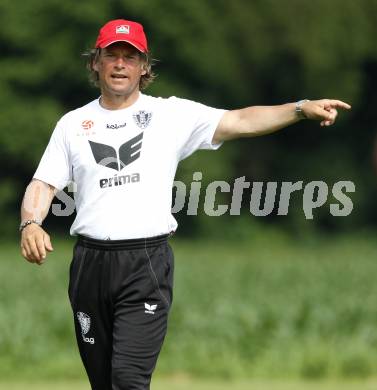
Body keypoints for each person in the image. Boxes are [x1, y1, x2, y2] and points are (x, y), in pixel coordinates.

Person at [19, 18, 351, 390]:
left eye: (131, 57)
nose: (120, 64)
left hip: (144, 264)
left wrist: (301, 107)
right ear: (95, 62)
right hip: (89, 266)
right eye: (112, 55)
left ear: (144, 67)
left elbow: (239, 120)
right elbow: (42, 184)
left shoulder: (170, 115)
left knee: (128, 380)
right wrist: (30, 223)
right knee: (104, 384)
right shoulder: (73, 124)